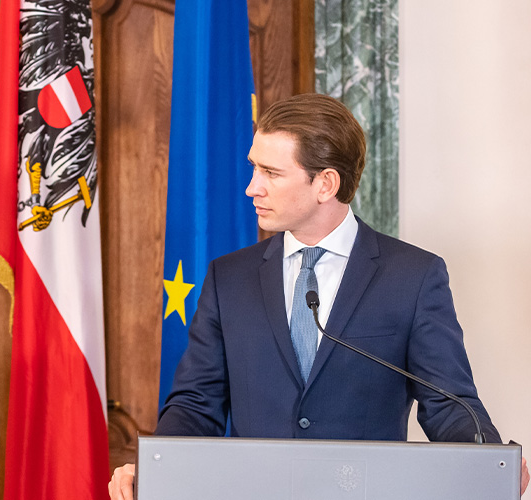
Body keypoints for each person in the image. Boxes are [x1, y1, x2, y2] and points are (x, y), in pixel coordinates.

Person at [109, 93, 529, 499]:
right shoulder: (229, 278)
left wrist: (489, 461)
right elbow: (196, 404)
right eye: (255, 168)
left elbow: (449, 403)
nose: (252, 188)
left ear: (326, 183)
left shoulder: (413, 277)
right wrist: (155, 466)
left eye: (271, 173)